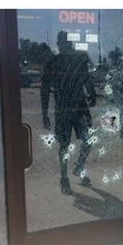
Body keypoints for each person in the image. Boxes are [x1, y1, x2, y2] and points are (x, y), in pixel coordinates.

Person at [41, 31, 97, 195]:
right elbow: (44, 90)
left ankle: (79, 166)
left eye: (67, 42)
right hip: (63, 111)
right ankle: (64, 178)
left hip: (80, 108)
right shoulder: (53, 62)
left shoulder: (81, 57)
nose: (64, 45)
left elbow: (87, 78)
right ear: (58, 44)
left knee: (88, 140)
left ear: (70, 43)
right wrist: (44, 114)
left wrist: (92, 93)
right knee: (64, 146)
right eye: (62, 42)